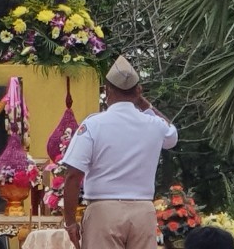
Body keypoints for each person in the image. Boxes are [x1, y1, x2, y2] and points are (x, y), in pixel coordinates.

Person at [61, 55, 178, 249]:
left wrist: (70, 222)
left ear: (107, 90)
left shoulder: (93, 125)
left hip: (104, 213)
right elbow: (172, 136)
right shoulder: (154, 124)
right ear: (138, 91)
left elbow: (73, 176)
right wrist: (145, 105)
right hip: (142, 212)